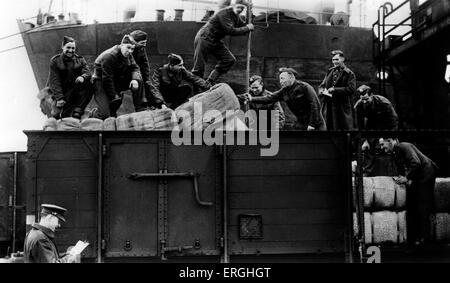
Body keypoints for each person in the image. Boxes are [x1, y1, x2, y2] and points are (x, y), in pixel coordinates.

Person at [379, 138, 439, 246]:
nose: (381, 148)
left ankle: (426, 241)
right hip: (418, 177)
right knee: (413, 206)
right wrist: (403, 178)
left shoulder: (404, 146)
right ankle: (416, 238)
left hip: (426, 174)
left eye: (383, 145)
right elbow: (401, 168)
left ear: (391, 141)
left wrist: (407, 178)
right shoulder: (395, 153)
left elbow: (416, 163)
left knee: (423, 207)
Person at [192, 0, 254, 85]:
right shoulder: (224, 13)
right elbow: (230, 30)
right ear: (233, 6)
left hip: (215, 40)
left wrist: (249, 11)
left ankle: (210, 81)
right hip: (205, 38)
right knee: (198, 68)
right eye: (238, 7)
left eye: (242, 8)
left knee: (229, 59)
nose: (240, 9)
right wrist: (247, 28)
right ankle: (196, 90)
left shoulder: (235, 16)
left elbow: (244, 26)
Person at [245, 68, 326, 131]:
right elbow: (269, 98)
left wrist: (312, 124)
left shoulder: (305, 87)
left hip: (316, 124)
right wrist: (252, 99)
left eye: (282, 78)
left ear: (291, 78)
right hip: (302, 123)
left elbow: (315, 105)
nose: (280, 81)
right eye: (280, 79)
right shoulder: (284, 90)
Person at [92, 34, 147, 119]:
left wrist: (135, 80)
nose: (130, 51)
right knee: (104, 115)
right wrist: (114, 95)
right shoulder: (109, 56)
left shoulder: (129, 54)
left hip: (116, 78)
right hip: (101, 81)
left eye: (132, 49)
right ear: (121, 45)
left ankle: (141, 108)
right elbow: (107, 79)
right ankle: (94, 114)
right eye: (128, 47)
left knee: (138, 79)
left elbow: (135, 68)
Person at [46, 36, 93, 119]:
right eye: (68, 47)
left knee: (90, 83)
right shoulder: (55, 61)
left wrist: (83, 77)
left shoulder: (80, 60)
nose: (71, 50)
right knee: (57, 115)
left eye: (73, 48)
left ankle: (78, 111)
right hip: (60, 93)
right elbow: (54, 81)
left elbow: (88, 72)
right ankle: (62, 109)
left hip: (74, 91)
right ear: (62, 47)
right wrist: (59, 98)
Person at [318, 50, 356, 130]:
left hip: (342, 105)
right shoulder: (330, 71)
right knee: (329, 126)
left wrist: (335, 90)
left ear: (343, 59)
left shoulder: (349, 73)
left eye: (337, 59)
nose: (334, 62)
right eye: (333, 60)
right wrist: (321, 90)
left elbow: (351, 89)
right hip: (329, 105)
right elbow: (322, 85)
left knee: (342, 128)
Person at [129, 30, 154, 107]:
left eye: (145, 42)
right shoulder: (127, 48)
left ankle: (150, 104)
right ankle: (139, 107)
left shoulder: (141, 48)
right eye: (142, 43)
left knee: (147, 83)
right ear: (134, 42)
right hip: (126, 72)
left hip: (136, 71)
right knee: (137, 82)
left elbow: (144, 64)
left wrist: (147, 79)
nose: (145, 45)